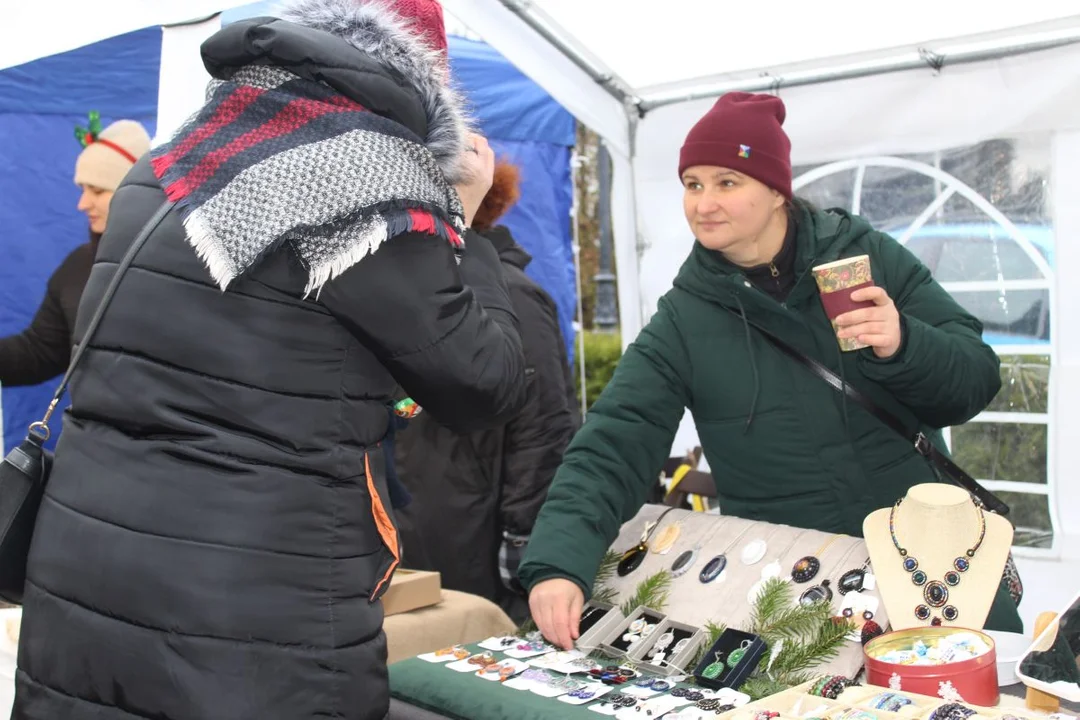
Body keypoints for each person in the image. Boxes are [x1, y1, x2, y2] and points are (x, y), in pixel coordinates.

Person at [13, 0, 526, 718]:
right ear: (423, 77)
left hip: (87, 569)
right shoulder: (369, 182)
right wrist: (463, 226)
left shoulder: (163, 167)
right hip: (251, 603)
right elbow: (483, 385)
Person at [520, 91, 1021, 649]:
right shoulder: (685, 318)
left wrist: (904, 343)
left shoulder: (864, 258)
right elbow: (613, 443)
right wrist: (558, 563)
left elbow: (975, 379)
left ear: (777, 191)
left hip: (928, 562)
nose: (703, 203)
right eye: (693, 184)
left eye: (726, 182)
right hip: (798, 591)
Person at [394, 161, 579, 623]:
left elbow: (545, 428)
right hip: (422, 529)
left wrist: (524, 539)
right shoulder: (414, 291)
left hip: (481, 541)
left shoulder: (512, 295)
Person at [0, 118, 150, 386]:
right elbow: (40, 351)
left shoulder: (183, 264)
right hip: (90, 426)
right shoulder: (79, 265)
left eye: (97, 190)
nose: (83, 203)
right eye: (83, 189)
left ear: (134, 191)